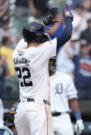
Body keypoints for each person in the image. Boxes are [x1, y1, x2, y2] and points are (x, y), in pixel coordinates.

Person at [12, 4, 73, 135]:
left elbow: (28, 35)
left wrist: (45, 22)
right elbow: (66, 35)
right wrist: (68, 18)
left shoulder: (17, 52)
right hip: (37, 108)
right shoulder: (40, 51)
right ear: (39, 37)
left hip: (22, 109)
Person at [48, 57, 84, 135]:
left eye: (50, 61)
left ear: (54, 62)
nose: (48, 63)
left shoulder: (65, 78)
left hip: (63, 118)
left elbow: (73, 100)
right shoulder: (37, 79)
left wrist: (79, 119)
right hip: (45, 118)